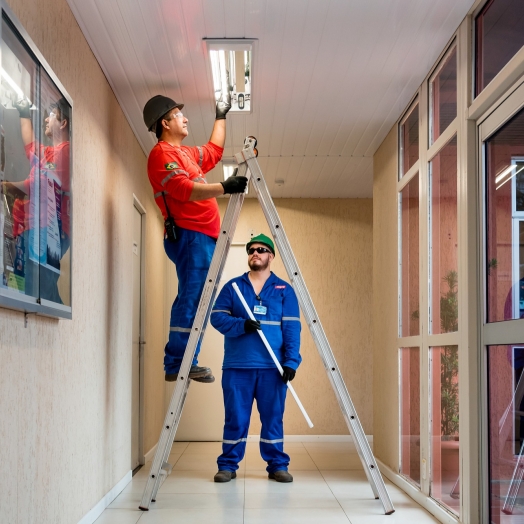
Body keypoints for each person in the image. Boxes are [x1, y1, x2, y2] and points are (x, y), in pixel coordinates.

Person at [143, 93, 247, 383]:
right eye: (178, 115)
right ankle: (177, 362)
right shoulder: (161, 155)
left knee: (200, 298)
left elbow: (213, 151)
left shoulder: (186, 154)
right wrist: (223, 188)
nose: (185, 118)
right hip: (191, 236)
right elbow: (182, 189)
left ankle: (186, 359)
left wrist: (221, 115)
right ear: (165, 123)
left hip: (204, 238)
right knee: (192, 298)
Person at [210, 233, 301, 483]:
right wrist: (242, 325)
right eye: (251, 250)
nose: (255, 253)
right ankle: (228, 465)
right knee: (236, 418)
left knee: (273, 418)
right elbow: (216, 317)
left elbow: (292, 328)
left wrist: (291, 362)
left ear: (271, 256)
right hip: (237, 367)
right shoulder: (234, 287)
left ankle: (277, 465)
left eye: (261, 250)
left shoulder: (284, 290)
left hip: (272, 369)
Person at [3, 97, 71, 303]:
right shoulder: (48, 154)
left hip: (47, 231)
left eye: (50, 116)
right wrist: (24, 112)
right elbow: (30, 143)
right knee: (35, 288)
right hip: (33, 228)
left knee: (38, 290)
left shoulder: (66, 152)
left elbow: (39, 185)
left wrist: (6, 186)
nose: (46, 121)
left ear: (63, 122)